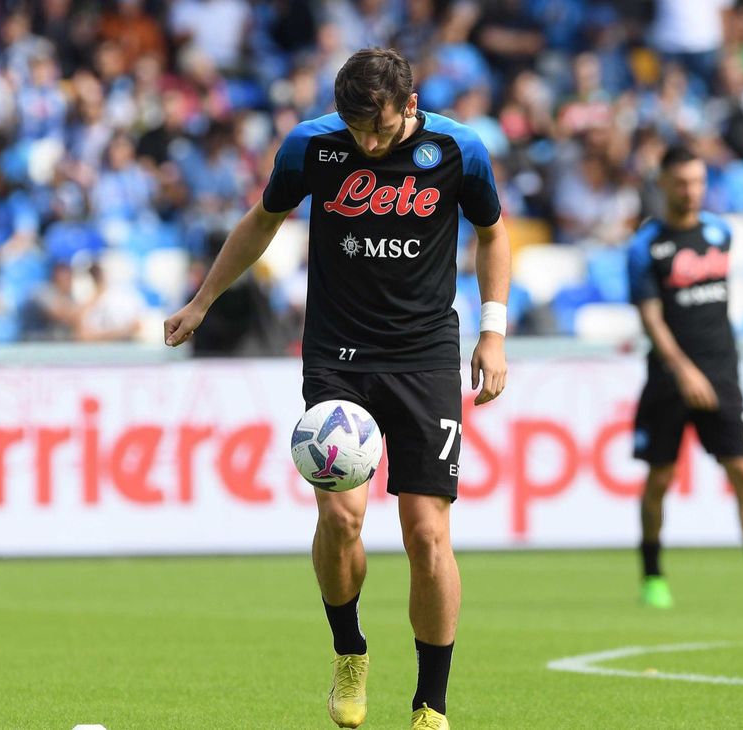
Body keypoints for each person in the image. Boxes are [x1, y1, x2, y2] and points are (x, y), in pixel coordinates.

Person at [165, 48, 510, 730]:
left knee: (427, 534)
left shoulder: (459, 150)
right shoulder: (313, 146)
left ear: (408, 106)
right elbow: (263, 220)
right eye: (356, 126)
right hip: (338, 354)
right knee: (342, 517)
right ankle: (349, 651)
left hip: (424, 356)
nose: (366, 141)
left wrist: (493, 332)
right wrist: (204, 300)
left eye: (377, 128)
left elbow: (493, 236)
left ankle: (430, 704)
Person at [626, 145, 743, 609]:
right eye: (683, 182)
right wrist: (683, 370)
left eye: (699, 182)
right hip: (670, 379)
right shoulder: (646, 246)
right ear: (663, 183)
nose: (692, 191)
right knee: (660, 479)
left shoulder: (720, 232)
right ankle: (652, 574)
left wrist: (710, 368)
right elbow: (652, 319)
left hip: (722, 372)